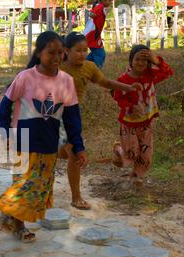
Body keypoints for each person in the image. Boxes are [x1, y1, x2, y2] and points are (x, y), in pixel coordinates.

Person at [0, 31, 86, 242]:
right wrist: (4, 129)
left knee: (41, 186)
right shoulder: (25, 77)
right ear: (38, 53)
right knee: (25, 182)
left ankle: (9, 213)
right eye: (50, 52)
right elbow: (6, 103)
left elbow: (72, 117)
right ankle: (18, 223)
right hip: (23, 140)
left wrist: (78, 146)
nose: (56, 58)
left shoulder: (66, 81)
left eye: (60, 53)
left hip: (49, 142)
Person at [59, 32, 142, 210]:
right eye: (78, 50)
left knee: (72, 154)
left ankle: (76, 197)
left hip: (72, 118)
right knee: (66, 153)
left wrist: (128, 87)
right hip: (50, 116)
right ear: (66, 50)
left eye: (85, 50)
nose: (82, 54)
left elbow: (106, 83)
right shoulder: (57, 66)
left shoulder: (89, 67)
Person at [112, 45, 173, 187]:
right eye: (137, 59)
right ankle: (118, 149)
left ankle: (136, 176)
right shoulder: (124, 79)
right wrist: (129, 107)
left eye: (145, 60)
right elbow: (117, 97)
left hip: (146, 122)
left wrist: (156, 60)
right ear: (130, 61)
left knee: (146, 152)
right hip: (129, 123)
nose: (141, 63)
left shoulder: (150, 74)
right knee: (132, 152)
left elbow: (168, 72)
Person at [83, 0, 111, 68]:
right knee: (100, 54)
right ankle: (97, 70)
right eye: (109, 0)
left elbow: (98, 16)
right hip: (92, 35)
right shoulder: (100, 6)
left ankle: (84, 65)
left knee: (96, 53)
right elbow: (91, 13)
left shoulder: (101, 7)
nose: (110, 2)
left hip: (94, 34)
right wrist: (92, 15)